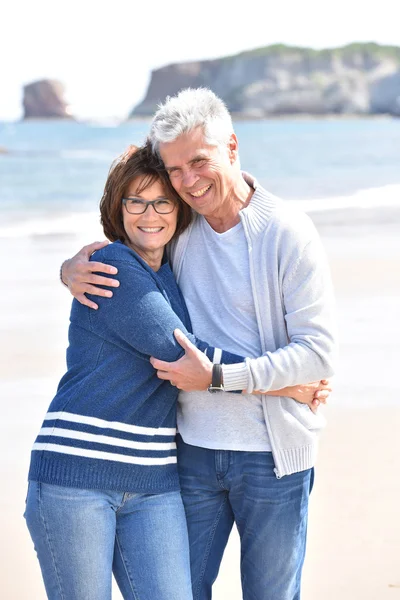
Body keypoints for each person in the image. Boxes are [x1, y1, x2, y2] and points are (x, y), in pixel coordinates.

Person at [61, 89, 337, 600]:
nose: (187, 182)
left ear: (231, 148)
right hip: (189, 452)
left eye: (198, 162)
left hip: (274, 456)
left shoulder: (288, 232)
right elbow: (131, 257)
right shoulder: (181, 227)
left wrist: (221, 377)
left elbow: (317, 354)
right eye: (176, 171)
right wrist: (69, 269)